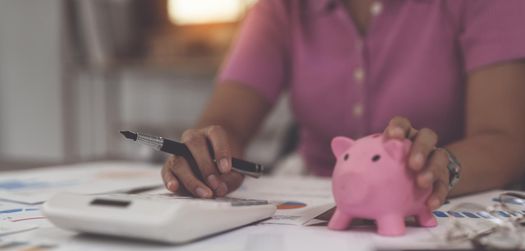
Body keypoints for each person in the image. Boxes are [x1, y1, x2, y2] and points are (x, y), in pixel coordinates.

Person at [162, 0, 525, 210]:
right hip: (317, 209)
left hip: (441, 207)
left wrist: (442, 168)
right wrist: (207, 156)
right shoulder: (281, 7)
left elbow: (504, 139)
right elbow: (227, 121)